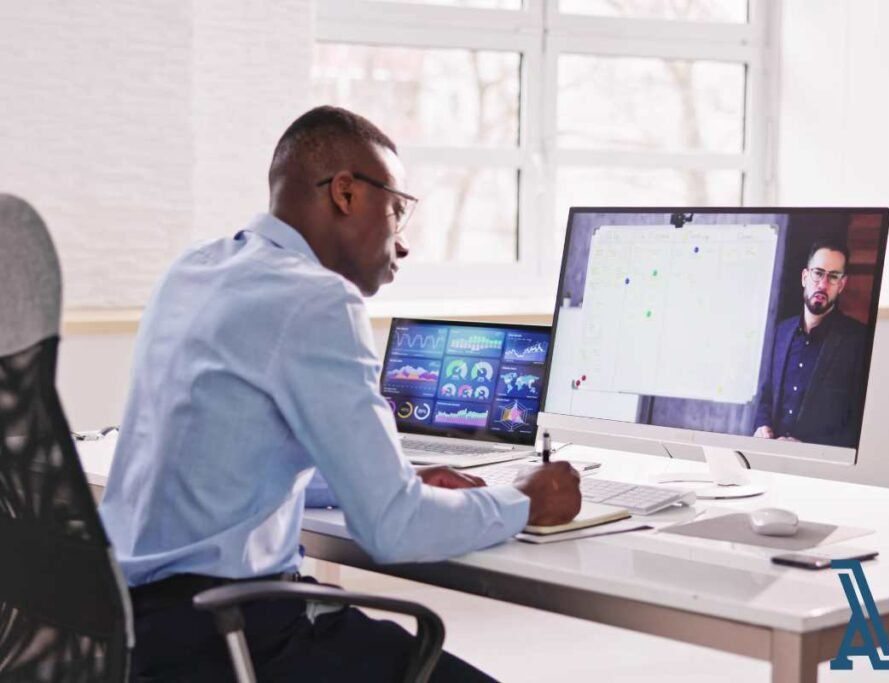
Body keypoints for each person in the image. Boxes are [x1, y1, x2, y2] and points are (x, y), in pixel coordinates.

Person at [98, 105, 581, 682]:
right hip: (233, 639)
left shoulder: (195, 269)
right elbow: (393, 529)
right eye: (398, 212)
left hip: (134, 631)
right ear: (347, 193)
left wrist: (380, 482)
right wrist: (526, 500)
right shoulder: (316, 300)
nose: (402, 244)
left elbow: (227, 464)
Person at [752, 240, 867, 448]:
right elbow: (767, 395)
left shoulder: (857, 340)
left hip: (818, 467)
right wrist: (762, 426)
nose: (823, 284)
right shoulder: (782, 332)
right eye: (818, 273)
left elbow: (857, 424)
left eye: (833, 277)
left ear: (841, 285)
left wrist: (807, 446)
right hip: (771, 457)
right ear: (805, 277)